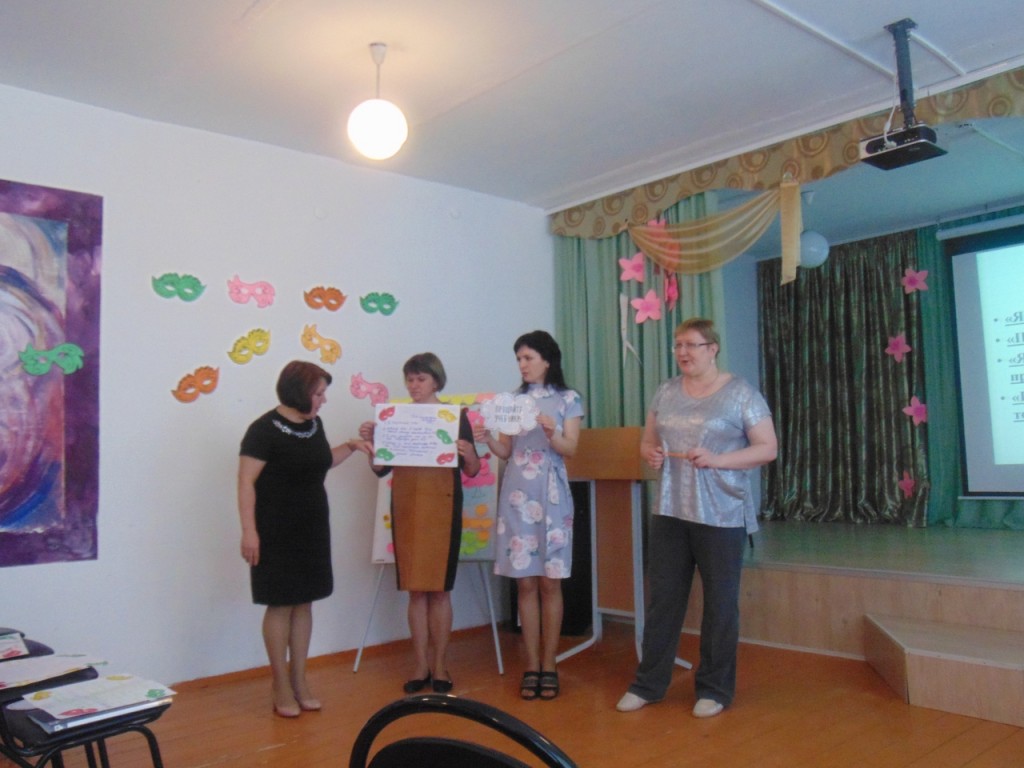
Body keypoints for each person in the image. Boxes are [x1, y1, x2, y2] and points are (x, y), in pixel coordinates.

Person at [616, 318, 777, 718]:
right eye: (678, 346)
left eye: (691, 345)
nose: (683, 353)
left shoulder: (741, 393)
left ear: (712, 348)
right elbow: (648, 440)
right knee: (663, 601)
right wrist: (650, 453)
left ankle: (715, 689)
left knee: (720, 604)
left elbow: (767, 448)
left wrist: (718, 460)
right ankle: (648, 684)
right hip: (670, 510)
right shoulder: (666, 391)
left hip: (722, 514)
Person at [238, 360, 370, 718]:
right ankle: (279, 683)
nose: (324, 400)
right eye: (319, 393)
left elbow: (320, 462)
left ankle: (300, 680)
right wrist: (249, 531)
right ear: (299, 392)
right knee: (280, 604)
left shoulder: (314, 425)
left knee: (305, 603)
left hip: (312, 527)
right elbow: (246, 482)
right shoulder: (262, 430)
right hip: (274, 529)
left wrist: (352, 446)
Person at [359, 353, 481, 694]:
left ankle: (440, 664)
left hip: (444, 505)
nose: (414, 385)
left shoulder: (456, 417)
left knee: (440, 590)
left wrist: (469, 451)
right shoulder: (395, 417)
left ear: (436, 381)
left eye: (421, 379)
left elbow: (472, 469)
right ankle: (420, 665)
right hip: (407, 506)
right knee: (415, 590)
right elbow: (381, 468)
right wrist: (373, 444)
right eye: (410, 379)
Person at [473, 331, 583, 701]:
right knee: (525, 583)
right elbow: (506, 450)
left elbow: (570, 448)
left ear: (547, 359)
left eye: (528, 357)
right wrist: (488, 437)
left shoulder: (568, 398)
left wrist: (552, 431)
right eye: (519, 358)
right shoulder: (512, 401)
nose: (522, 365)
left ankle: (550, 664)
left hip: (552, 496)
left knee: (551, 583)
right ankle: (531, 664)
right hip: (517, 495)